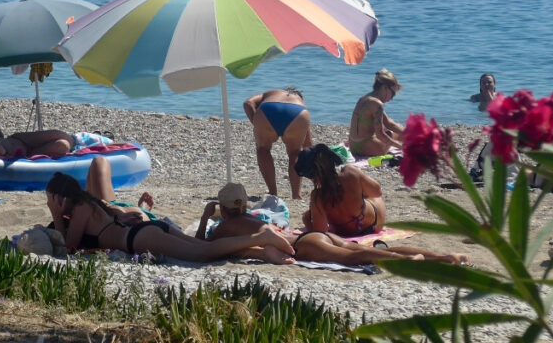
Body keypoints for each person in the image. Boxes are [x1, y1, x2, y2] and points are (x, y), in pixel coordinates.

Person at [197, 182, 470, 266]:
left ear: (222, 206)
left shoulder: (224, 228)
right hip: (312, 236)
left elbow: (202, 249)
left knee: (359, 256)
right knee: (360, 250)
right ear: (244, 204)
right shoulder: (250, 217)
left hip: (305, 247)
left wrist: (204, 219)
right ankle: (444, 256)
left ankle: (411, 261)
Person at [45, 172, 294, 260]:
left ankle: (261, 238)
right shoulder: (92, 203)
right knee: (206, 247)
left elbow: (69, 248)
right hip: (148, 230)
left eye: (52, 199)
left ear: (61, 197)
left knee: (203, 254)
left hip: (140, 239)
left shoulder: (79, 209)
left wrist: (56, 214)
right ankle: (261, 251)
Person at [298, 144, 386, 238]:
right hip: (371, 226)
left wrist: (307, 220)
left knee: (313, 213)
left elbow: (320, 232)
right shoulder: (350, 172)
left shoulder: (317, 196)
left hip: (344, 233)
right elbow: (377, 192)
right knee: (371, 196)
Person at [243, 87, 313, 199]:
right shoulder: (299, 101)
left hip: (269, 109)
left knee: (263, 150)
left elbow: (248, 103)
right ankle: (296, 195)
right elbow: (308, 146)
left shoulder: (270, 93)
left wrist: (256, 122)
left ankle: (273, 192)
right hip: (299, 113)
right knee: (295, 153)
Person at [349, 69, 404, 157]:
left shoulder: (365, 98)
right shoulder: (377, 104)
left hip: (353, 147)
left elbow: (389, 123)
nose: (392, 98)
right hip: (366, 148)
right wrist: (401, 146)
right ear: (385, 87)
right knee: (394, 134)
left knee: (393, 129)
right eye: (393, 93)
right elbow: (380, 135)